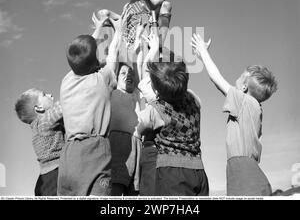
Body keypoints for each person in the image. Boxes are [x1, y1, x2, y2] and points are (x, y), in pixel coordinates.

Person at [191, 33, 278, 196]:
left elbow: (217, 79)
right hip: (249, 172)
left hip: (243, 172)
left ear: (244, 87)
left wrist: (203, 52)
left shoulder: (244, 101)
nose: (235, 81)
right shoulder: (255, 108)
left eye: (239, 78)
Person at [136, 30, 209, 196]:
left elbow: (138, 128)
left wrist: (153, 49)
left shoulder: (156, 110)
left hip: (172, 173)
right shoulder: (194, 99)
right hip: (198, 170)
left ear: (155, 89)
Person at [57, 13, 122, 196]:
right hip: (94, 151)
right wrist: (119, 30)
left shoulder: (67, 81)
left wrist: (98, 29)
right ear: (96, 60)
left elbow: (81, 55)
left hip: (68, 155)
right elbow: (114, 52)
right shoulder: (102, 79)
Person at [14, 89, 65, 196]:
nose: (50, 94)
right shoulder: (43, 122)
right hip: (55, 175)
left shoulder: (36, 127)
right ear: (39, 108)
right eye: (44, 95)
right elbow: (63, 106)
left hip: (45, 178)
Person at [109, 63, 142, 195]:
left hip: (138, 144)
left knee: (134, 191)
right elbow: (112, 62)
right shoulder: (112, 91)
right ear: (115, 78)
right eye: (123, 73)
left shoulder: (136, 93)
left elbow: (139, 65)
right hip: (117, 144)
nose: (128, 75)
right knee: (115, 189)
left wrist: (139, 47)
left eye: (130, 74)